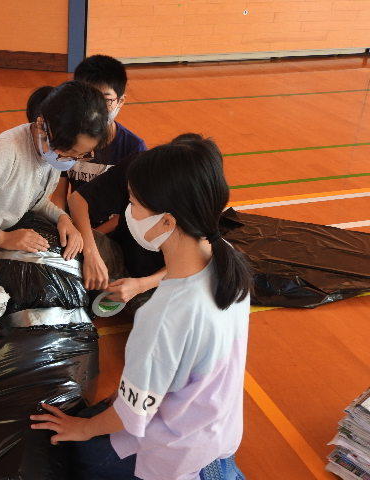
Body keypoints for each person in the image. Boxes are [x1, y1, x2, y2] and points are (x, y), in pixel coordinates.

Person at [30, 135, 251, 480]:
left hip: (175, 452)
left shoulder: (164, 316)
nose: (127, 212)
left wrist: (82, 429)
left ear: (167, 222)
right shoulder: (228, 259)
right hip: (218, 428)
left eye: (133, 203)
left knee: (80, 455)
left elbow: (132, 414)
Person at [0, 81, 109, 288]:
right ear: (42, 126)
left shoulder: (50, 152)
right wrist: (3, 238)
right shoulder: (6, 153)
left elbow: (33, 199)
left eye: (81, 155)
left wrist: (62, 218)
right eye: (69, 153)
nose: (72, 160)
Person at [51, 54, 147, 228]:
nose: (96, 109)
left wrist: (92, 237)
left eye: (106, 100)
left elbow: (130, 212)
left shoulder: (134, 148)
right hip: (74, 225)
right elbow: (59, 195)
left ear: (120, 101)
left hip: (111, 232)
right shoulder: (67, 138)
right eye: (88, 99)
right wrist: (64, 224)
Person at [69, 152, 166, 307]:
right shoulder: (140, 166)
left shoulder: (194, 200)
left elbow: (195, 262)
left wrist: (141, 285)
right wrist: (91, 253)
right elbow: (78, 199)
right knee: (65, 242)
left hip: (160, 284)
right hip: (118, 254)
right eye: (131, 201)